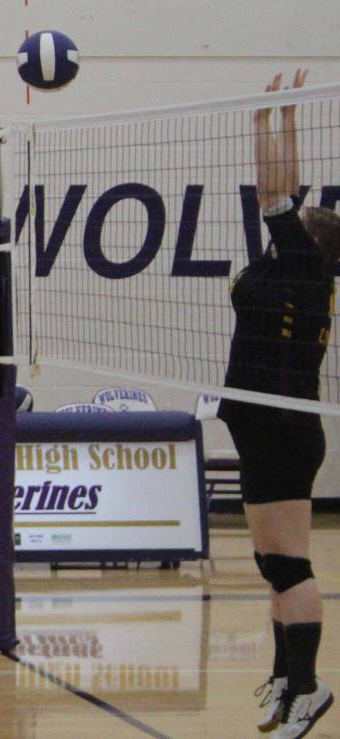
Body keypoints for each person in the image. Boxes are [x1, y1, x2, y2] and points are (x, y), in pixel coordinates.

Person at [217, 69, 338, 739]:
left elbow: (275, 192)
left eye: (298, 220)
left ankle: (311, 687)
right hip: (264, 425)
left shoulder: (303, 266)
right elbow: (286, 191)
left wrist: (264, 120)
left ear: (310, 242)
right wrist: (284, 116)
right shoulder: (286, 267)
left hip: (285, 429)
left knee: (289, 564)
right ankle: (287, 680)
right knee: (271, 564)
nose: (287, 218)